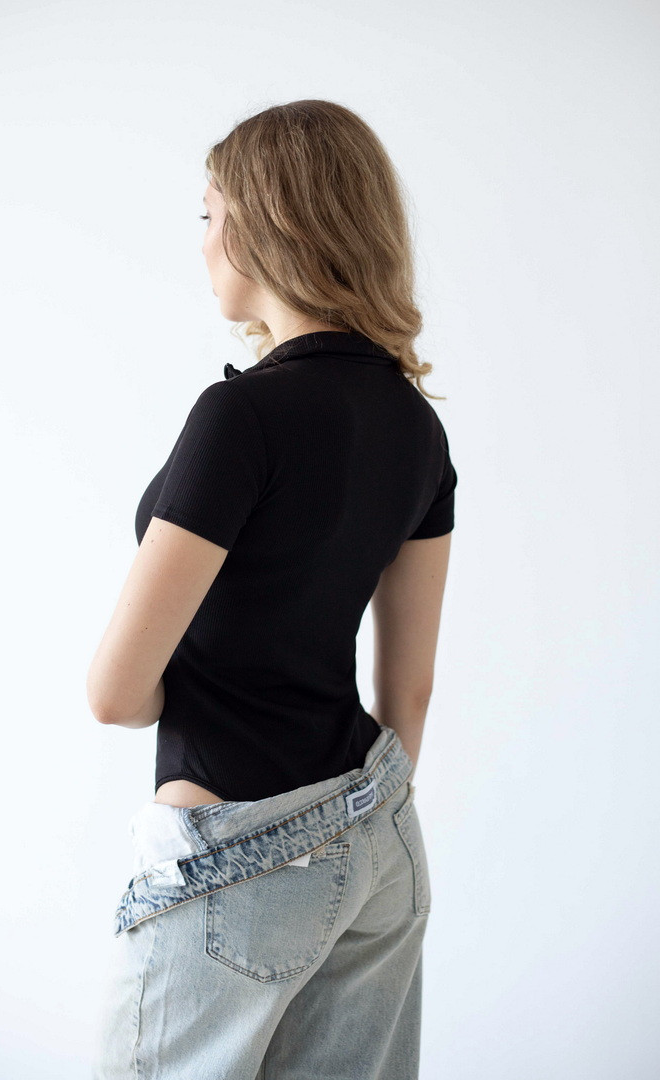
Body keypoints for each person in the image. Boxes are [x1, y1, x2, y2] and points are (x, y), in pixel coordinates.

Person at [88, 99, 457, 1080]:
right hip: (377, 841)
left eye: (209, 214)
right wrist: (349, 828)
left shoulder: (239, 417)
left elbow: (115, 694)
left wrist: (188, 694)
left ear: (263, 225)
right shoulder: (416, 427)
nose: (204, 240)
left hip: (233, 849)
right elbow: (410, 692)